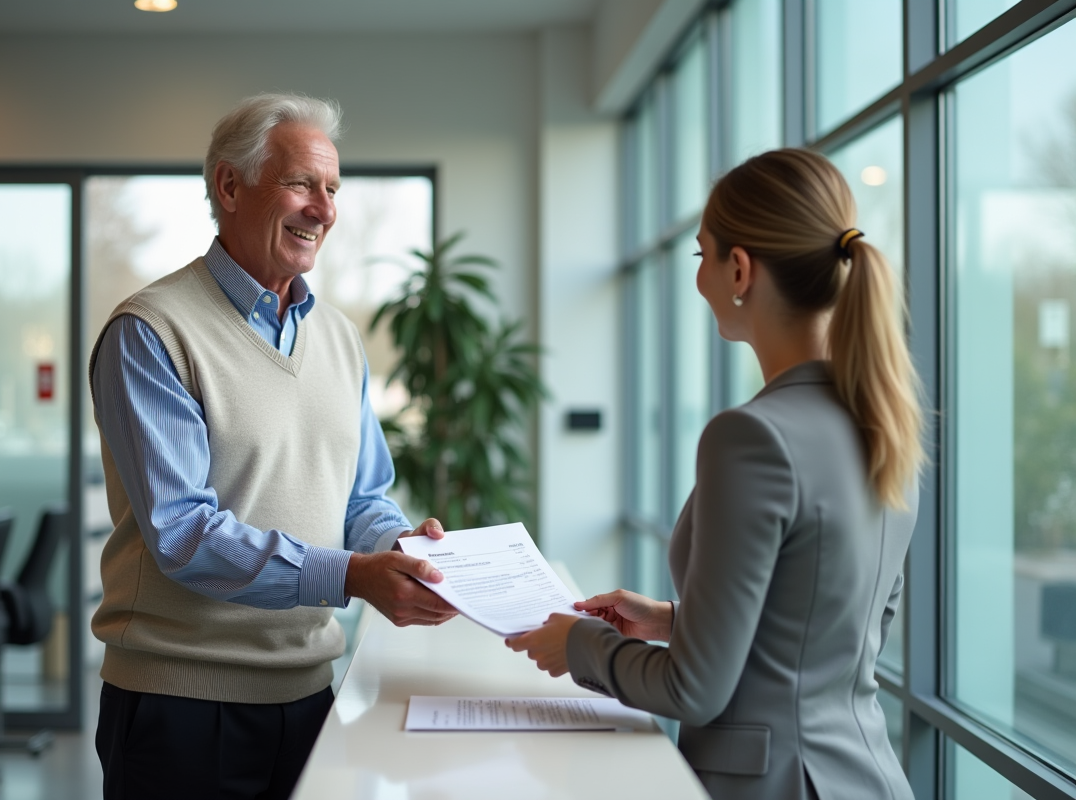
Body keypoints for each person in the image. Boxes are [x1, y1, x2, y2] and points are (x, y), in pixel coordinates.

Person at [508, 148, 922, 800]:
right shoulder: (882, 421)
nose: (699, 278)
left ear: (739, 268)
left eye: (701, 255)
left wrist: (580, 644)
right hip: (865, 776)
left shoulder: (751, 436)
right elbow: (833, 631)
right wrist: (676, 620)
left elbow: (694, 691)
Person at [88, 93, 457, 800]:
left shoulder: (341, 339)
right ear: (229, 186)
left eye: (332, 188)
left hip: (310, 695)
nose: (323, 208)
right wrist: (353, 575)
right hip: (180, 706)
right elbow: (184, 534)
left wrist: (401, 548)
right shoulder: (150, 331)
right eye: (300, 183)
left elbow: (362, 497)